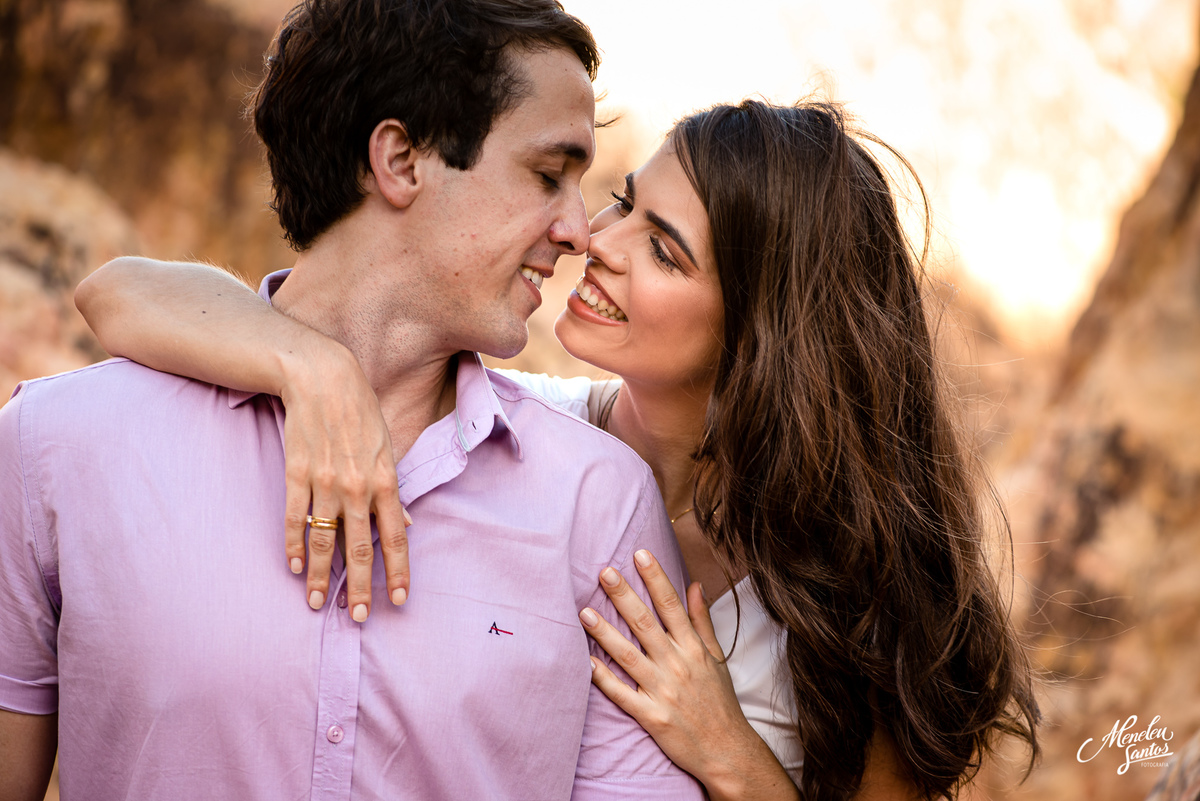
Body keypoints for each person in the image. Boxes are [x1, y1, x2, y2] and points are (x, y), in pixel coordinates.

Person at [77, 98, 1043, 799]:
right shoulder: (504, 435)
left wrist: (729, 752)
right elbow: (120, 293)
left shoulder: (857, 582)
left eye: (664, 249)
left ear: (764, 324)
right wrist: (308, 368)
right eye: (624, 202)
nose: (596, 240)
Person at [0, 1, 708, 799]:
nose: (581, 231)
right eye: (548, 175)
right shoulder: (56, 447)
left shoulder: (598, 502)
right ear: (401, 160)